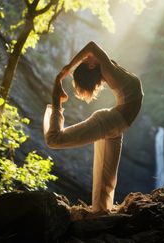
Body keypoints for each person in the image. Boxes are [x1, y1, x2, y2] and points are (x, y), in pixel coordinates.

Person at [43, 41, 143, 213]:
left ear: (91, 65)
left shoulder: (109, 67)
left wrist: (68, 68)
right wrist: (65, 74)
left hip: (115, 126)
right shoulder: (108, 69)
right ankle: (55, 100)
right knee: (54, 139)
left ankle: (101, 212)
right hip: (109, 122)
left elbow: (91, 46)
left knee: (107, 179)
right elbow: (92, 50)